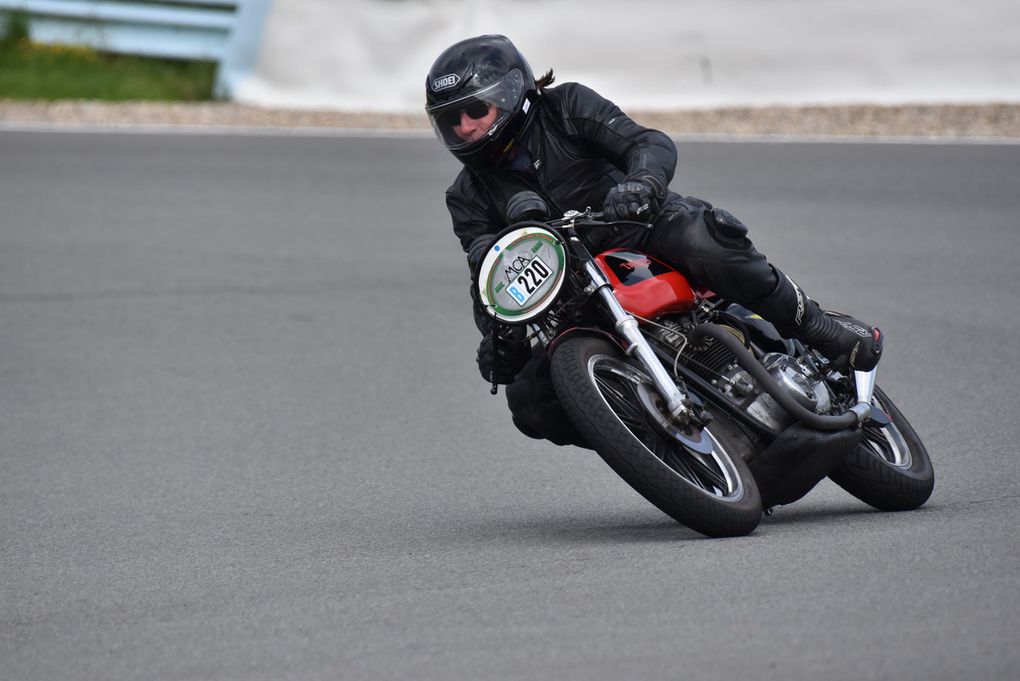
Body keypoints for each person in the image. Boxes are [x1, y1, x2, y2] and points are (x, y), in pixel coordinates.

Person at [425, 34, 883, 446]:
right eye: (451, 120)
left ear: (511, 96)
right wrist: (498, 337)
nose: (465, 127)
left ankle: (821, 331)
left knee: (700, 238)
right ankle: (666, 448)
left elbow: (647, 142)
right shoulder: (466, 195)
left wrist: (641, 184)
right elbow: (487, 271)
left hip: (639, 230)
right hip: (574, 295)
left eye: (474, 111)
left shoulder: (565, 106)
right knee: (529, 400)